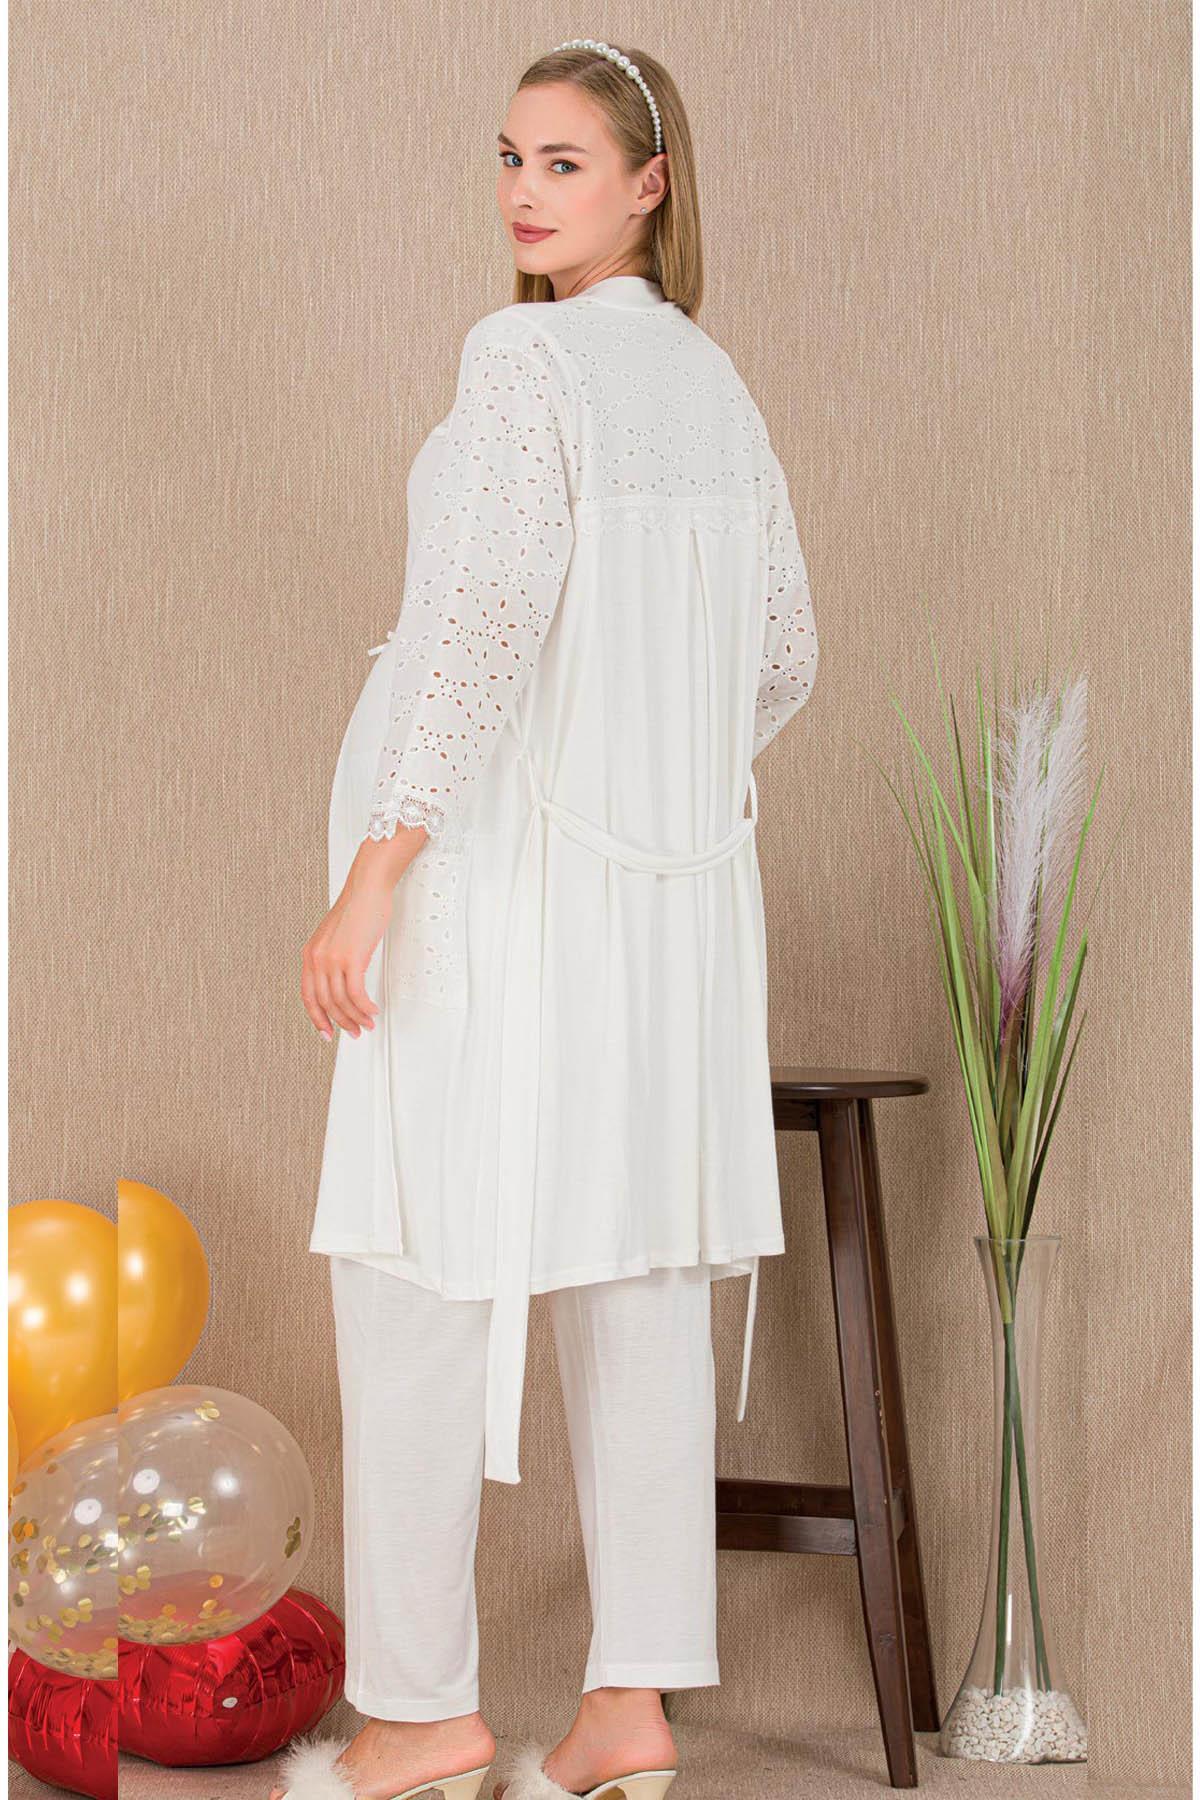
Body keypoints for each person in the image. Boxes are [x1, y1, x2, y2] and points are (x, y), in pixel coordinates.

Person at [282, 37, 819, 1800]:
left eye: (566, 163)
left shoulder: (524, 359)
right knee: (635, 1271)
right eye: (510, 158)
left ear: (650, 184)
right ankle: (628, 1711)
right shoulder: (715, 387)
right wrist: (644, 774)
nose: (525, 192)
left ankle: (423, 1714)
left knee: (416, 1265)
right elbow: (784, 656)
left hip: (497, 898)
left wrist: (378, 871)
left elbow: (479, 625)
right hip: (665, 923)